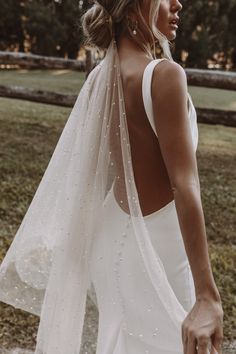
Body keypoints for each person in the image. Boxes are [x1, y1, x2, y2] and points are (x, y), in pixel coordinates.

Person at [0, 1, 223, 353]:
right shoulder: (165, 75)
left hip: (113, 235)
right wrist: (207, 295)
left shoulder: (100, 78)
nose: (178, 3)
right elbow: (185, 184)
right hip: (158, 248)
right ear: (136, 7)